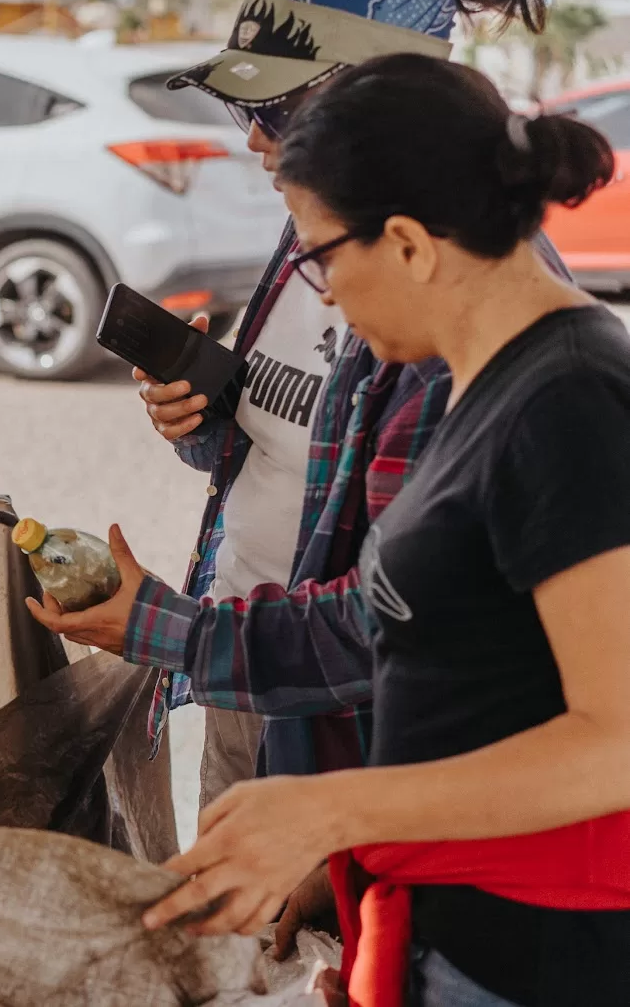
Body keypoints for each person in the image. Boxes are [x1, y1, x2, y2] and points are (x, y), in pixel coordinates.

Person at [31, 0, 562, 812]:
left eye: (276, 111)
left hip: (360, 732)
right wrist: (205, 420)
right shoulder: (315, 226)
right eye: (244, 109)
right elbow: (291, 443)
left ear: (378, 103)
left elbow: (396, 620)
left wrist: (168, 630)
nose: (254, 141)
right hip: (250, 665)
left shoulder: (480, 320)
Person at [135, 55, 630, 1007]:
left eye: (321, 256)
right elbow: (430, 642)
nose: (321, 293)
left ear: (406, 244)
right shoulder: (481, 380)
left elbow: (615, 741)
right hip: (449, 922)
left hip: (536, 956)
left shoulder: (570, 404)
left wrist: (331, 812)